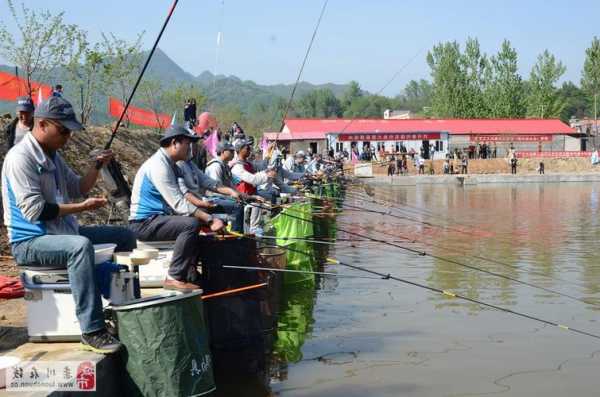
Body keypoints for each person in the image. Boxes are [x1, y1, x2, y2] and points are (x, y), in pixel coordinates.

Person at [2, 96, 136, 354]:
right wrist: (83, 208)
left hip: (61, 232)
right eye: (63, 131)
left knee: (124, 236)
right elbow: (36, 211)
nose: (68, 137)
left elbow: (78, 187)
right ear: (41, 125)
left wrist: (97, 166)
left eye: (70, 132)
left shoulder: (53, 156)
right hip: (29, 241)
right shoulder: (21, 158)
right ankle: (92, 329)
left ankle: (124, 307)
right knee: (79, 247)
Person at [129, 125, 226, 293]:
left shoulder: (171, 164)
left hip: (157, 219)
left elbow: (185, 198)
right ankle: (174, 277)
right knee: (190, 225)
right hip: (143, 223)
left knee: (197, 225)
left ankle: (189, 272)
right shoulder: (158, 165)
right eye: (187, 144)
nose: (190, 148)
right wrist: (210, 219)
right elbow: (179, 204)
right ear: (175, 143)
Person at [177, 138, 245, 232]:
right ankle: (235, 236)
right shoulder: (215, 166)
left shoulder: (191, 164)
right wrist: (202, 203)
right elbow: (184, 193)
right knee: (237, 206)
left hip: (202, 200)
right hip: (201, 201)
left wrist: (232, 192)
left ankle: (233, 234)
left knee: (240, 203)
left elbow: (209, 182)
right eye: (189, 144)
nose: (193, 147)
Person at [230, 139, 277, 234]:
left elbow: (262, 165)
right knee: (257, 201)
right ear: (240, 150)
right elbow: (253, 179)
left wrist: (268, 152)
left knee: (270, 195)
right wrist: (267, 175)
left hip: (252, 194)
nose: (249, 150)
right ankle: (253, 228)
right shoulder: (237, 166)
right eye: (247, 148)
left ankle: (257, 225)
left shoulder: (248, 163)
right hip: (241, 197)